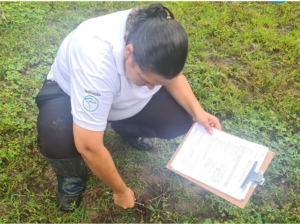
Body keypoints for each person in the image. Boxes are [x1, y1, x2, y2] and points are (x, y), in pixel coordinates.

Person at [35, 3, 221, 211]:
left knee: (180, 119)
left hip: (119, 98)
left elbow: (171, 77)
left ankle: (125, 127)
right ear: (129, 53)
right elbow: (88, 146)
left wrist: (198, 112)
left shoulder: (159, 33)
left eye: (158, 83)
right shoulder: (95, 60)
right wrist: (120, 190)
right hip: (68, 92)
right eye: (145, 79)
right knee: (57, 134)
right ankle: (71, 176)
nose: (152, 88)